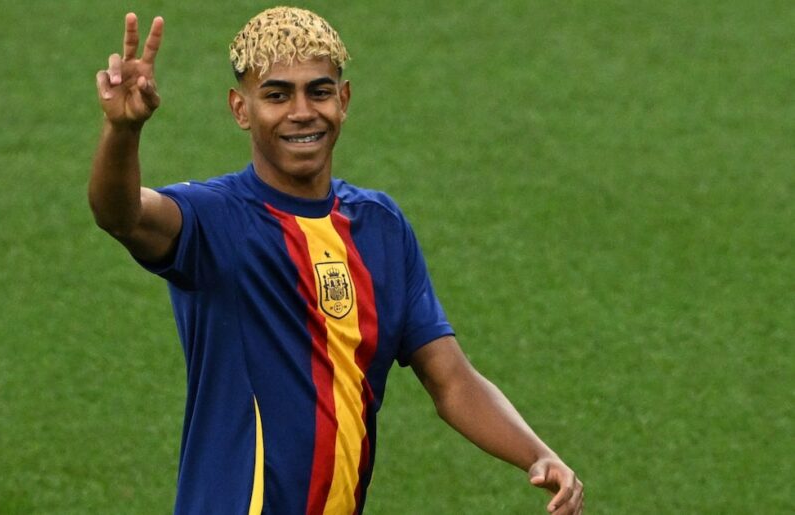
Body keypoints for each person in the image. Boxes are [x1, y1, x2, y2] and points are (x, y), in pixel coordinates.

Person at [90, 6, 583, 515]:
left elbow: (452, 380)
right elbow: (121, 215)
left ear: (343, 101)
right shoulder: (215, 220)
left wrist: (538, 454)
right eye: (277, 95)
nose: (302, 111)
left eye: (319, 91)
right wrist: (123, 131)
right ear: (241, 109)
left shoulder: (381, 228)